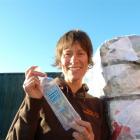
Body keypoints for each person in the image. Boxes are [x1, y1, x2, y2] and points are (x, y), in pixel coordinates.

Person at [6, 30, 110, 140]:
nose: (74, 60)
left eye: (80, 53)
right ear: (60, 61)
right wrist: (32, 101)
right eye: (68, 54)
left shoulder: (97, 105)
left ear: (88, 60)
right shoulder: (41, 94)